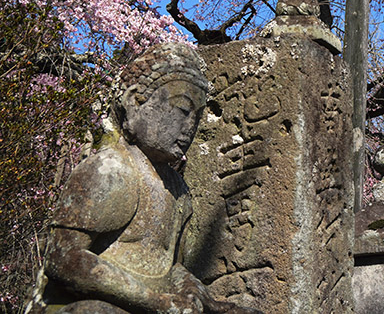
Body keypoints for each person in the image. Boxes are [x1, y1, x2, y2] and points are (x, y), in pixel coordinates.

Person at [28, 43, 259, 314]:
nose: (189, 127)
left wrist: (197, 294)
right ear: (134, 102)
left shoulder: (178, 190)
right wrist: (152, 300)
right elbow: (63, 259)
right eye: (182, 110)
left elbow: (168, 264)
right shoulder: (110, 170)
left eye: (197, 117)